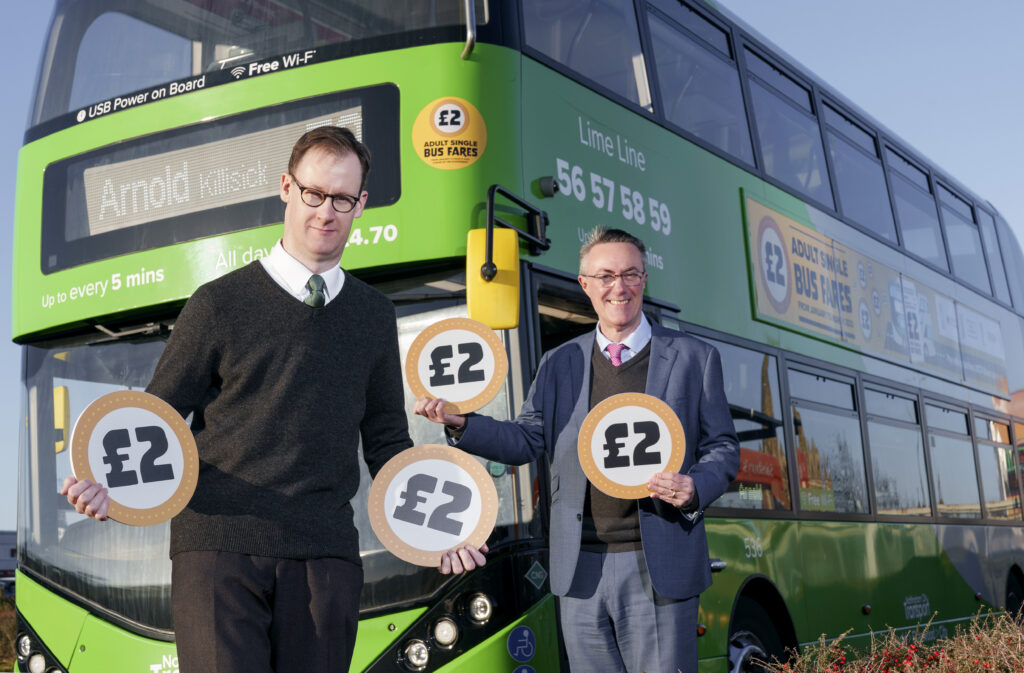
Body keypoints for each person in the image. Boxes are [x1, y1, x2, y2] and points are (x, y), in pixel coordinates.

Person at [62, 126, 485, 673]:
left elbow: (386, 442)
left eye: (341, 199)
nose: (325, 212)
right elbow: (154, 420)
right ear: (287, 187)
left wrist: (442, 531)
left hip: (326, 556)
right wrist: (104, 484)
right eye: (313, 193)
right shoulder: (217, 303)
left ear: (361, 204)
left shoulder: (375, 316)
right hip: (219, 547)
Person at [416, 227, 739, 672]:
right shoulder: (559, 363)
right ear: (585, 285)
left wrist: (695, 486)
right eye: (605, 276)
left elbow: (722, 447)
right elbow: (526, 438)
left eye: (629, 274)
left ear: (644, 279)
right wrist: (462, 423)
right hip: (579, 569)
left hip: (657, 565)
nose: (618, 287)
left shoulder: (693, 357)